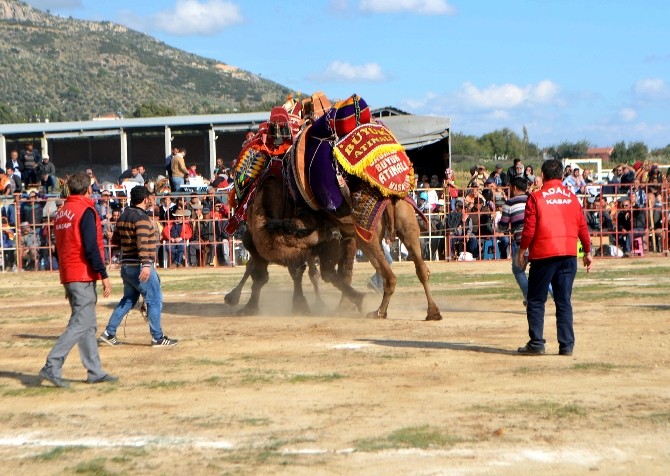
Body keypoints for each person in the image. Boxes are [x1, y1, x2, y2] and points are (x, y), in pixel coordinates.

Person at [39, 172, 117, 388]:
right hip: (82, 273)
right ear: (87, 189)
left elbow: (58, 248)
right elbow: (91, 247)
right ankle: (52, 365)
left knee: (88, 325)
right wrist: (104, 275)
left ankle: (95, 371)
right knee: (81, 323)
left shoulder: (62, 212)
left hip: (68, 272)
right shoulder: (85, 210)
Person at [516, 159, 593, 356]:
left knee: (536, 299)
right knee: (563, 300)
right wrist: (587, 252)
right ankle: (566, 345)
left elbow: (529, 230)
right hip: (568, 254)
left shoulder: (536, 197)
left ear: (543, 175)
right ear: (560, 175)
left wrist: (522, 251)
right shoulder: (571, 197)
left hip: (543, 254)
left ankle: (537, 343)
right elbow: (582, 226)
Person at [100, 186, 178, 347]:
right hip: (140, 266)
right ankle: (157, 337)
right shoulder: (141, 218)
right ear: (144, 199)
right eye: (149, 198)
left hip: (127, 265)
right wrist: (146, 264)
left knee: (128, 299)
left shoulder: (123, 216)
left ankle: (109, 332)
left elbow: (115, 241)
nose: (151, 200)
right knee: (155, 300)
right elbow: (142, 242)